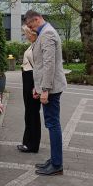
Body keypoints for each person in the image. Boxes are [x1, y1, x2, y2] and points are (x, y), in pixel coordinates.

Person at [24, 10, 67, 176]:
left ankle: (57, 165)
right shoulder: (44, 33)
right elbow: (41, 65)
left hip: (52, 89)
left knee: (53, 124)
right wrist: (38, 87)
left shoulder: (48, 34)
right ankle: (54, 160)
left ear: (37, 19)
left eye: (30, 25)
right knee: (51, 123)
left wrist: (45, 90)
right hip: (47, 87)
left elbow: (49, 64)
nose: (30, 29)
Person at [17, 25, 41, 153]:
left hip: (32, 79)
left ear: (32, 34)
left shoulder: (37, 45)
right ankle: (27, 142)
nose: (25, 35)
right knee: (29, 112)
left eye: (26, 33)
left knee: (32, 112)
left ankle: (32, 145)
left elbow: (38, 67)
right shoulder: (32, 45)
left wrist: (36, 87)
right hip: (27, 78)